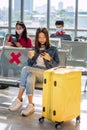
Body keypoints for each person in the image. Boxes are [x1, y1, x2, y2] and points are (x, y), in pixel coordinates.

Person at [8, 27, 60, 116]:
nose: (42, 39)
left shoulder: (53, 49)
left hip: (46, 74)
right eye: (39, 37)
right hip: (34, 71)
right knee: (29, 78)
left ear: (47, 37)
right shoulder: (34, 48)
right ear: (37, 38)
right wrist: (31, 58)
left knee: (25, 69)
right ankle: (30, 105)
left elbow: (57, 66)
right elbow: (30, 64)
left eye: (44, 37)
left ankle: (19, 98)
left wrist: (49, 59)